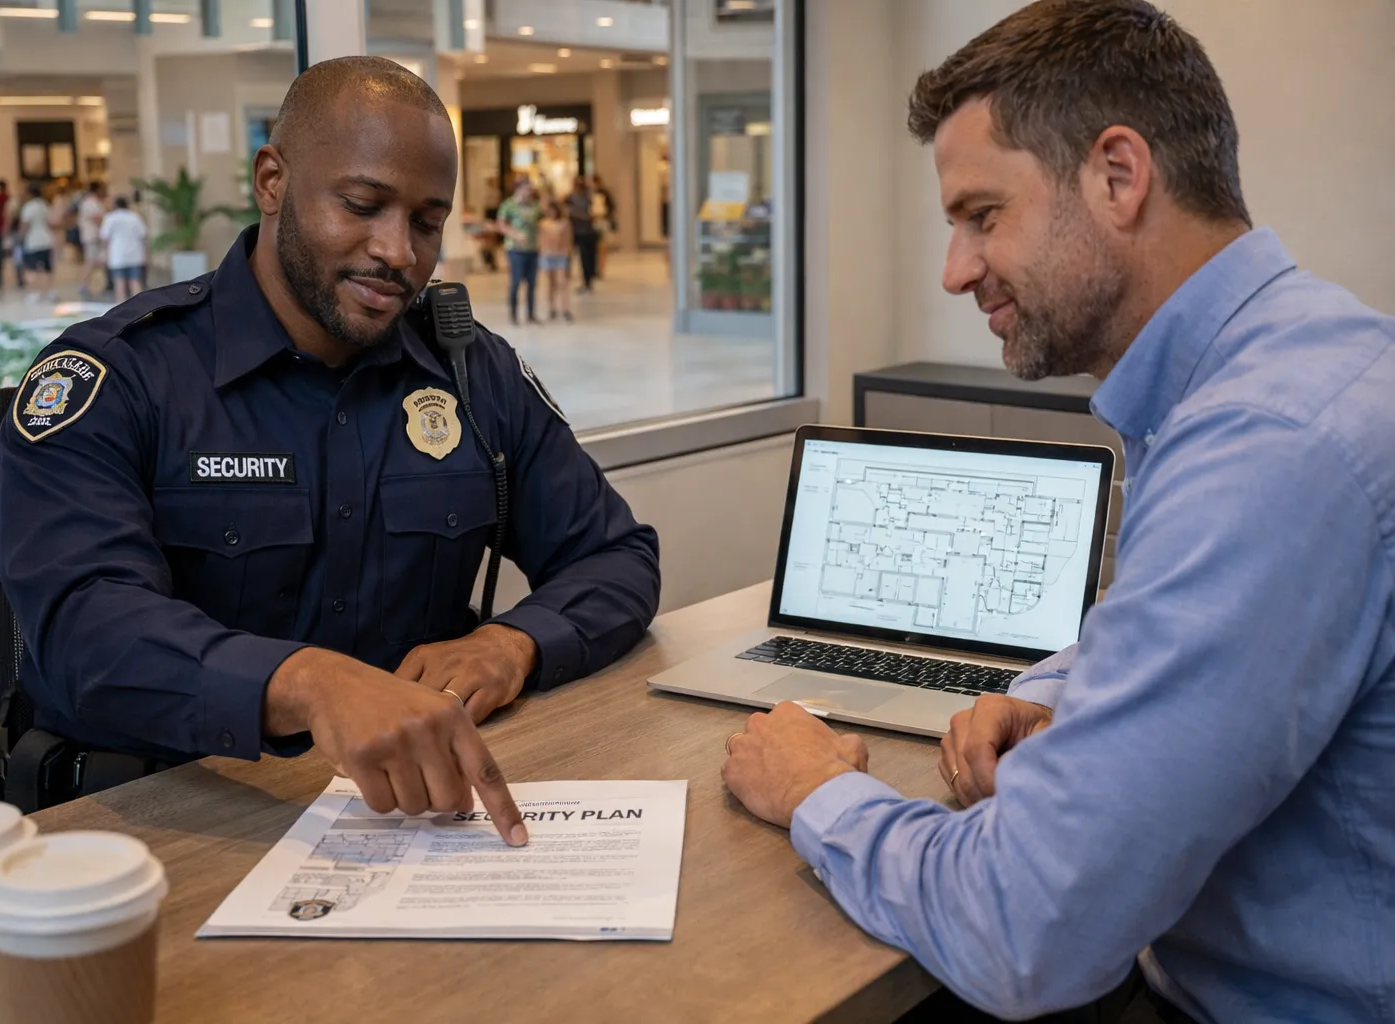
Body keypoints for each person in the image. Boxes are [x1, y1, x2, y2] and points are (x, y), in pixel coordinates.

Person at [721, 2, 1394, 1021]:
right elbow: (1198, 626)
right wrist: (1058, 686)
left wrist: (815, 783)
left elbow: (1021, 933)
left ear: (1118, 176)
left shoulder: (1267, 447)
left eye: (982, 216)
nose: (955, 271)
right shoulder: (1296, 362)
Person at [0, 56, 660, 847]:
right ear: (272, 181)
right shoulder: (122, 376)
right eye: (362, 205)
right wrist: (304, 683)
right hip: (171, 819)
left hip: (411, 819)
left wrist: (511, 643)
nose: (399, 253)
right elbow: (81, 626)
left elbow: (617, 557)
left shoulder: (474, 376)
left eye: (425, 221)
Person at [494, 177, 541, 325]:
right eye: (527, 189)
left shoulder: (535, 205)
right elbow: (500, 225)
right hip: (515, 249)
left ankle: (530, 314)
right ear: (519, 189)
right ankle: (514, 314)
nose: (529, 192)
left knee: (532, 283)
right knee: (516, 282)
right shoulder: (508, 205)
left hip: (532, 248)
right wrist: (515, 235)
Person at [99, 196, 147, 302]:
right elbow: (143, 235)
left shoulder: (110, 217)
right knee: (135, 282)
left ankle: (121, 308)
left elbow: (105, 237)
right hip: (135, 255)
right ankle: (141, 308)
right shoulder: (135, 217)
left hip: (117, 255)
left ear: (115, 205)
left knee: (119, 284)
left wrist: (104, 253)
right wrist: (145, 254)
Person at [16, 182, 57, 302]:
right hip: (46, 239)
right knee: (47, 268)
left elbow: (24, 225)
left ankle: (35, 292)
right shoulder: (45, 205)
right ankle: (49, 291)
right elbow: (51, 222)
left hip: (32, 241)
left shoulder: (28, 207)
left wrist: (20, 237)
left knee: (31, 268)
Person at [538, 201, 573, 322]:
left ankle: (565, 308)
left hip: (560, 255)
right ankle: (551, 308)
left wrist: (567, 253)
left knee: (562, 282)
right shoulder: (543, 223)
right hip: (547, 255)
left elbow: (568, 240)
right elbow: (541, 239)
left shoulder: (564, 223)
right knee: (550, 284)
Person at [565, 176, 598, 293]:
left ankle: (587, 280)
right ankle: (587, 280)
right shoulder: (574, 197)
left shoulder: (587, 197)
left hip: (584, 231)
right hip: (581, 231)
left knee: (586, 257)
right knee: (585, 257)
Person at [77, 182, 108, 299]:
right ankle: (83, 285)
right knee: (91, 261)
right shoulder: (91, 202)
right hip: (92, 236)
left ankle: (89, 284)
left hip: (92, 236)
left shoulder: (89, 202)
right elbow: (98, 218)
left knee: (96, 260)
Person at [590, 174, 615, 278]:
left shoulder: (604, 193)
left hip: (602, 221)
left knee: (602, 246)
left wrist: (605, 214)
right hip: (593, 221)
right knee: (593, 247)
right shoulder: (590, 193)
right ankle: (594, 268)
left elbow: (612, 207)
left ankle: (601, 268)